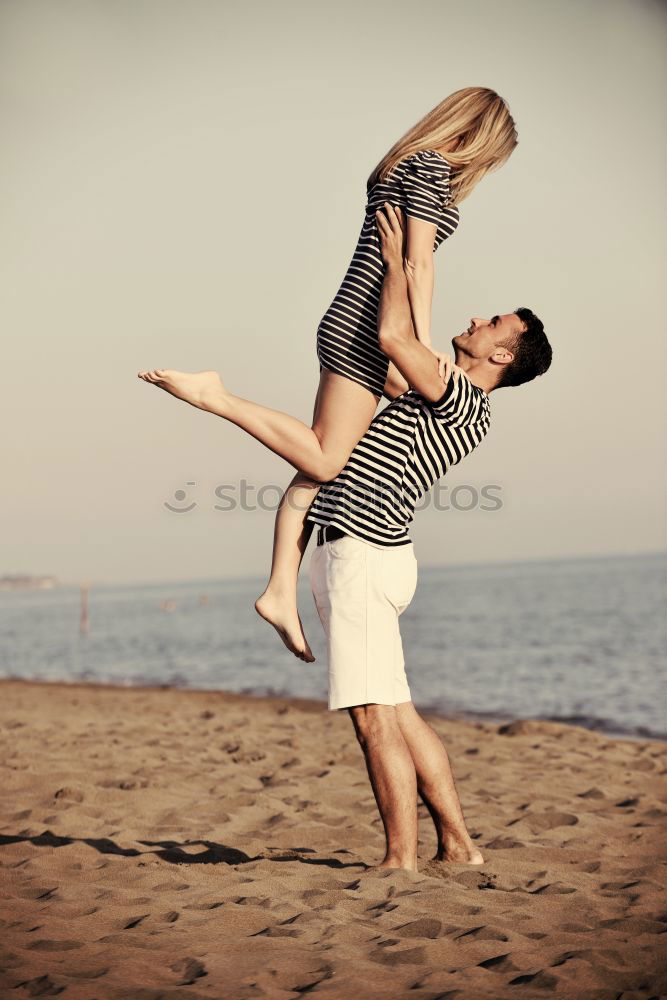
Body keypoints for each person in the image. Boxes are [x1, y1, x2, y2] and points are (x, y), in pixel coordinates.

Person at [138, 202, 552, 870]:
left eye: (493, 323)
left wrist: (394, 263)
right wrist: (416, 271)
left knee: (373, 717)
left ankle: (399, 859)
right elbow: (390, 355)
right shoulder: (460, 406)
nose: (479, 320)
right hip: (383, 557)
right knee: (400, 711)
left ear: (501, 354)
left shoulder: (450, 391)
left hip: (358, 555)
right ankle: (460, 845)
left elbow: (392, 336)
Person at [140, 88, 518, 665]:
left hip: (359, 321)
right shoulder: (429, 169)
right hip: (367, 328)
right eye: (492, 156)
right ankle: (218, 396)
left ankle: (278, 591)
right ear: (479, 135)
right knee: (323, 458)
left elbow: (405, 261)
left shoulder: (404, 165)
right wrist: (421, 342)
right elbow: (416, 262)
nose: (483, 168)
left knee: (327, 462)